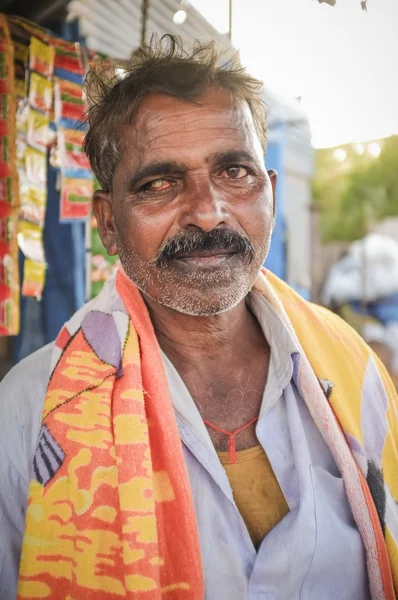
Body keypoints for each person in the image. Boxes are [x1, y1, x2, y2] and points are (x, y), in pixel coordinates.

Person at [0, 36, 397, 600]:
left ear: (271, 195)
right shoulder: (32, 411)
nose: (208, 212)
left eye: (235, 172)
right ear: (108, 223)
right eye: (158, 183)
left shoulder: (351, 368)